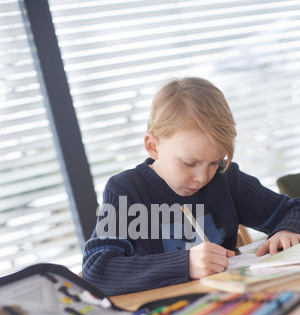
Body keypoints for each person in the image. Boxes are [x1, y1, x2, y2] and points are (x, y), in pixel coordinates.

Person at [82, 77, 300, 295]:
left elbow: (291, 209)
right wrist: (185, 264)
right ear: (153, 146)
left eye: (214, 161)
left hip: (229, 303)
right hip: (163, 313)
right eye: (189, 163)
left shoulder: (226, 179)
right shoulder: (126, 191)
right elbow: (97, 270)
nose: (202, 177)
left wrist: (287, 228)